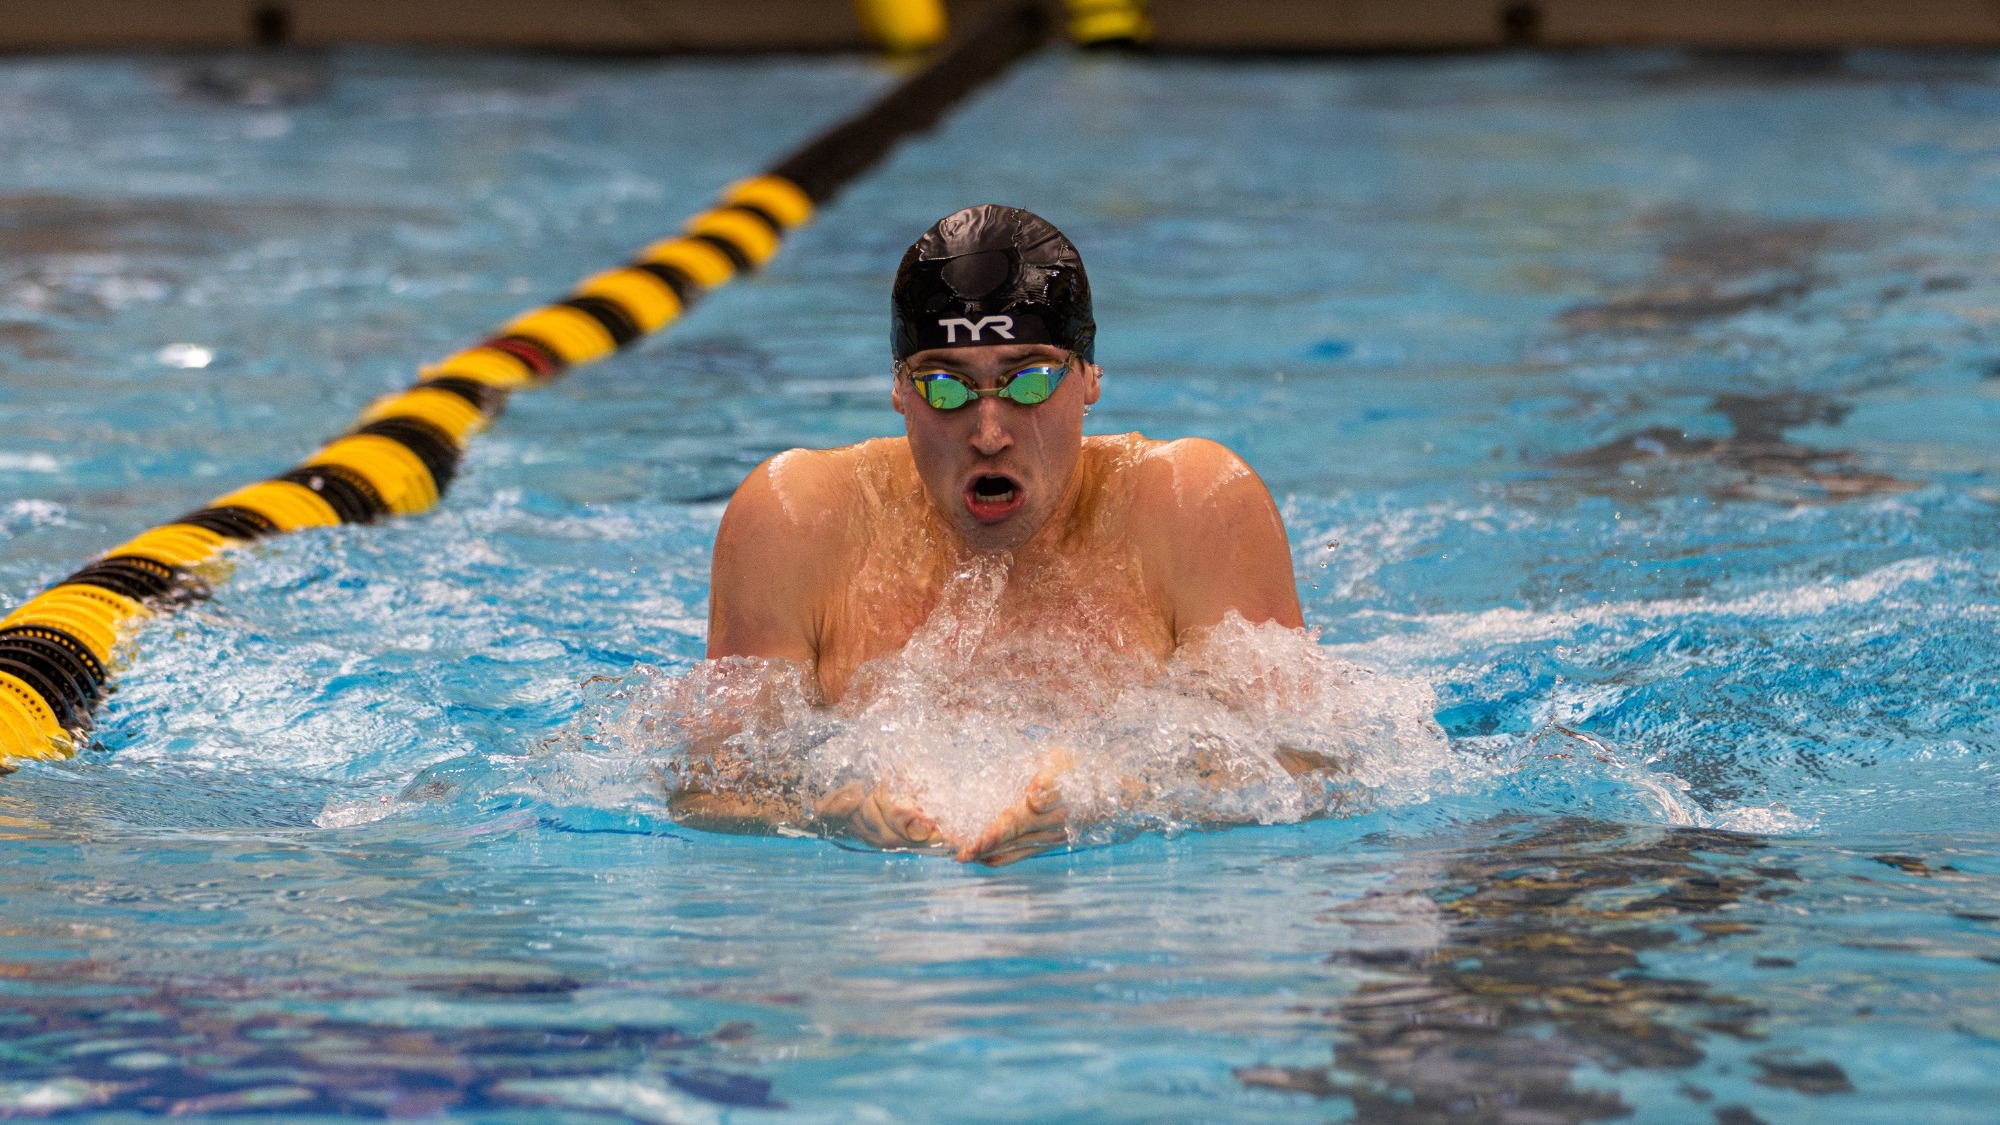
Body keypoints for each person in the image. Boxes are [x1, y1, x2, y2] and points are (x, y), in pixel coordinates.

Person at [679, 204, 1303, 864]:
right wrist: (821, 812)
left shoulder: (1192, 507)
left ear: (1089, 375)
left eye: (1029, 381)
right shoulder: (798, 521)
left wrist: (1125, 795)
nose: (989, 432)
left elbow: (1315, 764)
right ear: (898, 388)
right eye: (946, 387)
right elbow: (707, 789)